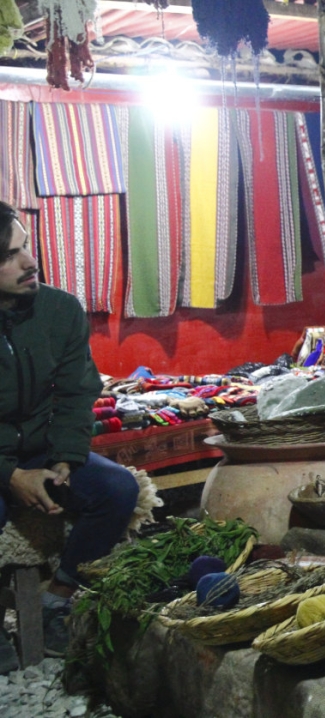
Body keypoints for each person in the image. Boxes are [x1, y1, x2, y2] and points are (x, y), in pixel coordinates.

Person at [0, 201, 139, 671]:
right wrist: (11, 475)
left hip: (42, 445)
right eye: (9, 256)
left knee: (118, 490)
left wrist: (64, 458)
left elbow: (77, 391)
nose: (28, 262)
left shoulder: (59, 309)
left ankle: (58, 598)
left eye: (25, 247)